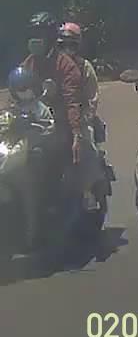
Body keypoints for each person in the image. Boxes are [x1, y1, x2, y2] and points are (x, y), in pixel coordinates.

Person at [20, 12, 98, 209]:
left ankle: (87, 193)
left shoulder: (68, 65)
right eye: (33, 34)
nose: (36, 39)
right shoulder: (29, 63)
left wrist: (76, 133)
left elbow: (73, 101)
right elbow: (17, 89)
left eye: (40, 34)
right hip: (38, 122)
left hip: (65, 122)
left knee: (84, 148)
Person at [57, 22, 104, 145]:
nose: (67, 49)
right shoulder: (52, 65)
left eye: (71, 45)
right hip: (54, 118)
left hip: (80, 118)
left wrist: (83, 119)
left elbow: (92, 98)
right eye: (63, 45)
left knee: (87, 146)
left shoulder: (84, 67)